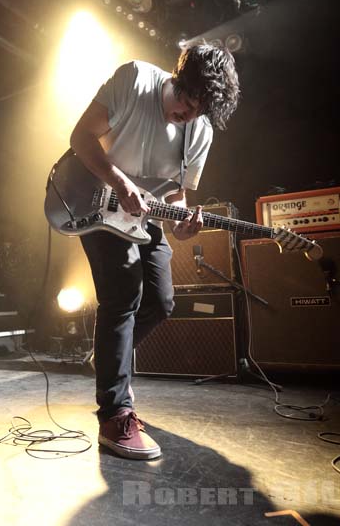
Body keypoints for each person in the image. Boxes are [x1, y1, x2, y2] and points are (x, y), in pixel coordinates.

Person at [69, 43, 240, 460]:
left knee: (162, 301)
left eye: (200, 112)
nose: (189, 116)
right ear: (177, 79)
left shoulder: (200, 131)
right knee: (123, 294)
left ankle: (107, 358)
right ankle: (115, 413)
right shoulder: (134, 79)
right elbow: (80, 137)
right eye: (187, 103)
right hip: (97, 203)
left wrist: (183, 224)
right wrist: (120, 183)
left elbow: (176, 200)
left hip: (143, 219)